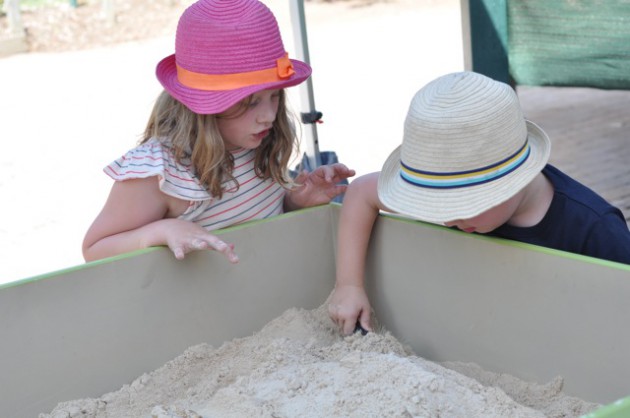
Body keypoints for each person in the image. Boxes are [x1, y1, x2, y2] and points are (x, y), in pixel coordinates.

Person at [329, 71, 630, 335]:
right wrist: (349, 286)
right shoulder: (454, 202)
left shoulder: (595, 229)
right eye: (436, 206)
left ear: (514, 181)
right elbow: (361, 193)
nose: (447, 220)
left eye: (462, 205)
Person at [82, 0, 354, 263]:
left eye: (275, 96)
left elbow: (254, 217)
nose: (269, 115)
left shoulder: (259, 142)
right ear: (202, 106)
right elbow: (95, 249)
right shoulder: (159, 171)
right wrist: (157, 232)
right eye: (250, 102)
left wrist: (296, 201)